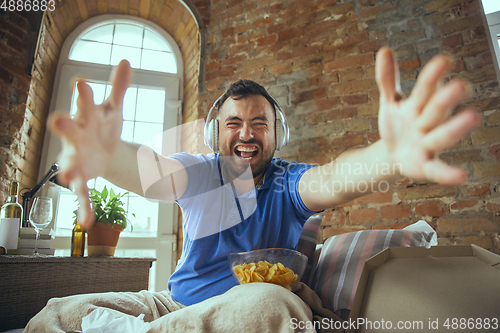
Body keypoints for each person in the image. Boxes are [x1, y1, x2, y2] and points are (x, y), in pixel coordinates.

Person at [27, 47, 480, 331]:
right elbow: (157, 175)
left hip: (241, 313)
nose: (246, 134)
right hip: (170, 304)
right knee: (57, 313)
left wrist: (387, 157)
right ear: (215, 134)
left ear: (275, 135)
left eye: (259, 123)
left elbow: (334, 179)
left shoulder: (287, 182)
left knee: (268, 304)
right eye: (234, 124)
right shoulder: (202, 172)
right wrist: (108, 157)